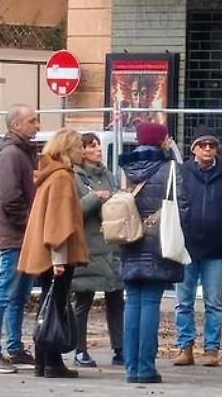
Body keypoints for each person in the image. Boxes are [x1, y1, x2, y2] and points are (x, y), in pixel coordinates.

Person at [18, 129, 90, 379]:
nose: (83, 150)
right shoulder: (62, 177)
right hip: (57, 256)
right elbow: (59, 223)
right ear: (67, 150)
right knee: (55, 306)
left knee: (47, 306)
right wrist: (59, 259)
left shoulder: (50, 175)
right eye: (80, 146)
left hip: (45, 253)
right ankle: (52, 362)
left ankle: (43, 362)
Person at [118, 121, 184, 385]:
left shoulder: (125, 168)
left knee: (132, 302)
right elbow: (185, 207)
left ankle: (131, 367)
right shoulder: (170, 169)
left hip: (130, 240)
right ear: (161, 140)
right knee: (150, 304)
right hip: (160, 243)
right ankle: (146, 367)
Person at [0, 104, 40, 375]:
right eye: (31, 121)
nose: (36, 125)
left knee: (18, 295)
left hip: (23, 236)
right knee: (4, 293)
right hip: (15, 237)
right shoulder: (11, 155)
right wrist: (30, 223)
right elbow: (9, 199)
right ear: (15, 125)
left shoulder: (23, 153)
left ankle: (15, 349)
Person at [173, 126, 222, 368]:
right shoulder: (182, 172)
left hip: (217, 247)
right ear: (194, 149)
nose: (208, 149)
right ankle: (185, 347)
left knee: (214, 303)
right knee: (183, 302)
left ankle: (212, 349)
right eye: (202, 145)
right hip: (187, 247)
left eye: (212, 145)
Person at [71, 132, 125, 369]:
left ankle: (120, 348)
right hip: (89, 247)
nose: (98, 150)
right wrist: (96, 197)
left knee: (116, 298)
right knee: (83, 300)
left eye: (98, 145)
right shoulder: (75, 177)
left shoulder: (108, 174)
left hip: (112, 246)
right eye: (91, 146)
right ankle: (79, 349)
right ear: (81, 151)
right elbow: (74, 210)